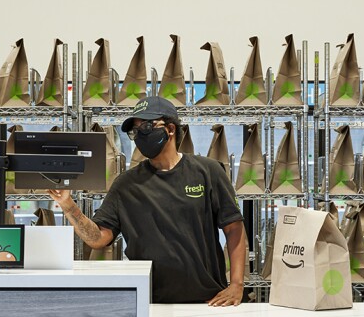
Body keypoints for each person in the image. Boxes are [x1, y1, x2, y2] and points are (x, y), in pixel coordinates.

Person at [47, 95, 247, 306]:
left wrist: (237, 285)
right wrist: (68, 206)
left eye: (148, 126)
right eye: (136, 130)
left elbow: (234, 229)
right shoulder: (125, 184)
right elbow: (99, 238)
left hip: (208, 300)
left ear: (170, 129)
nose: (141, 135)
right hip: (148, 301)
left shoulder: (208, 172)